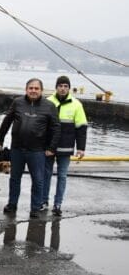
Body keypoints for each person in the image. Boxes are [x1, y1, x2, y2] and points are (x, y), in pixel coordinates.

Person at [0, 78, 60, 218]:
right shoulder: (18, 102)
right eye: (30, 88)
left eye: (36, 88)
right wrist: (0, 140)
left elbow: (56, 128)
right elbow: (7, 121)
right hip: (17, 148)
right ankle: (12, 204)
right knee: (14, 178)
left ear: (41, 90)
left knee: (38, 180)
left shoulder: (49, 106)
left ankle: (35, 208)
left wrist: (52, 148)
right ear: (26, 89)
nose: (33, 90)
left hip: (37, 150)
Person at [42, 75, 87, 216]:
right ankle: (44, 201)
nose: (62, 88)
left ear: (69, 88)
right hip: (48, 147)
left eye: (65, 86)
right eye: (60, 86)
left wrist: (81, 148)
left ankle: (58, 203)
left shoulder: (76, 104)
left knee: (62, 176)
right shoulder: (47, 102)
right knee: (46, 175)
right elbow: (40, 125)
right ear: (56, 87)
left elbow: (81, 127)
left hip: (65, 148)